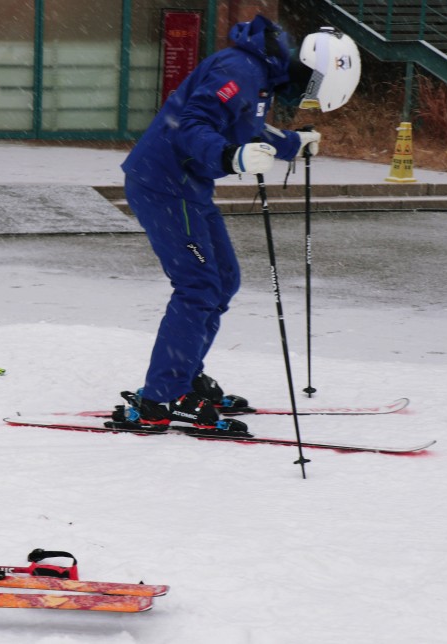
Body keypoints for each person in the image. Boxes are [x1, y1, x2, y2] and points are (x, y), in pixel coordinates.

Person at [120, 15, 360, 432]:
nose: (307, 97)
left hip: (189, 187)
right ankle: (159, 398)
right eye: (315, 88)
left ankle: (184, 377)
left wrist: (291, 144)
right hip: (163, 184)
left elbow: (248, 125)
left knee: (224, 279)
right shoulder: (239, 69)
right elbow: (190, 126)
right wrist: (231, 156)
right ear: (310, 68)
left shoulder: (259, 73)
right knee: (198, 286)